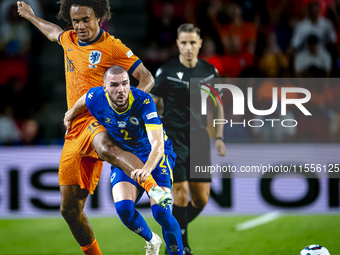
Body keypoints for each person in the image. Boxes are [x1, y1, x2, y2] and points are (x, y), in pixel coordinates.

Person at [17, 1, 171, 254]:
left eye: (85, 19)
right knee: (69, 209)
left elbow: (146, 77)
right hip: (74, 132)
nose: (79, 26)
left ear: (99, 17)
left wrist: (129, 108)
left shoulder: (112, 46)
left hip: (98, 121)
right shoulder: (69, 39)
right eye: (75, 21)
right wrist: (31, 16)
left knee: (104, 144)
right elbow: (52, 31)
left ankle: (152, 186)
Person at [64, 65, 183, 255]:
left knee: (161, 212)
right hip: (126, 156)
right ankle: (152, 240)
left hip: (155, 156)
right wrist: (71, 113)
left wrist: (146, 169)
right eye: (114, 85)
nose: (121, 90)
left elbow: (157, 145)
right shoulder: (97, 97)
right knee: (124, 210)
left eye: (125, 83)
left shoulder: (143, 102)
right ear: (105, 88)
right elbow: (85, 99)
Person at [150, 23, 226, 254]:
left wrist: (220, 137)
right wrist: (152, 132)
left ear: (200, 43)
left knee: (201, 199)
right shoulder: (167, 70)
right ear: (177, 43)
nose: (188, 47)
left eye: (193, 42)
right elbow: (151, 102)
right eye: (184, 42)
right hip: (173, 138)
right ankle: (181, 246)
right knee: (180, 193)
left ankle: (174, 229)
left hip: (200, 139)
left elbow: (219, 106)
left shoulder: (210, 71)